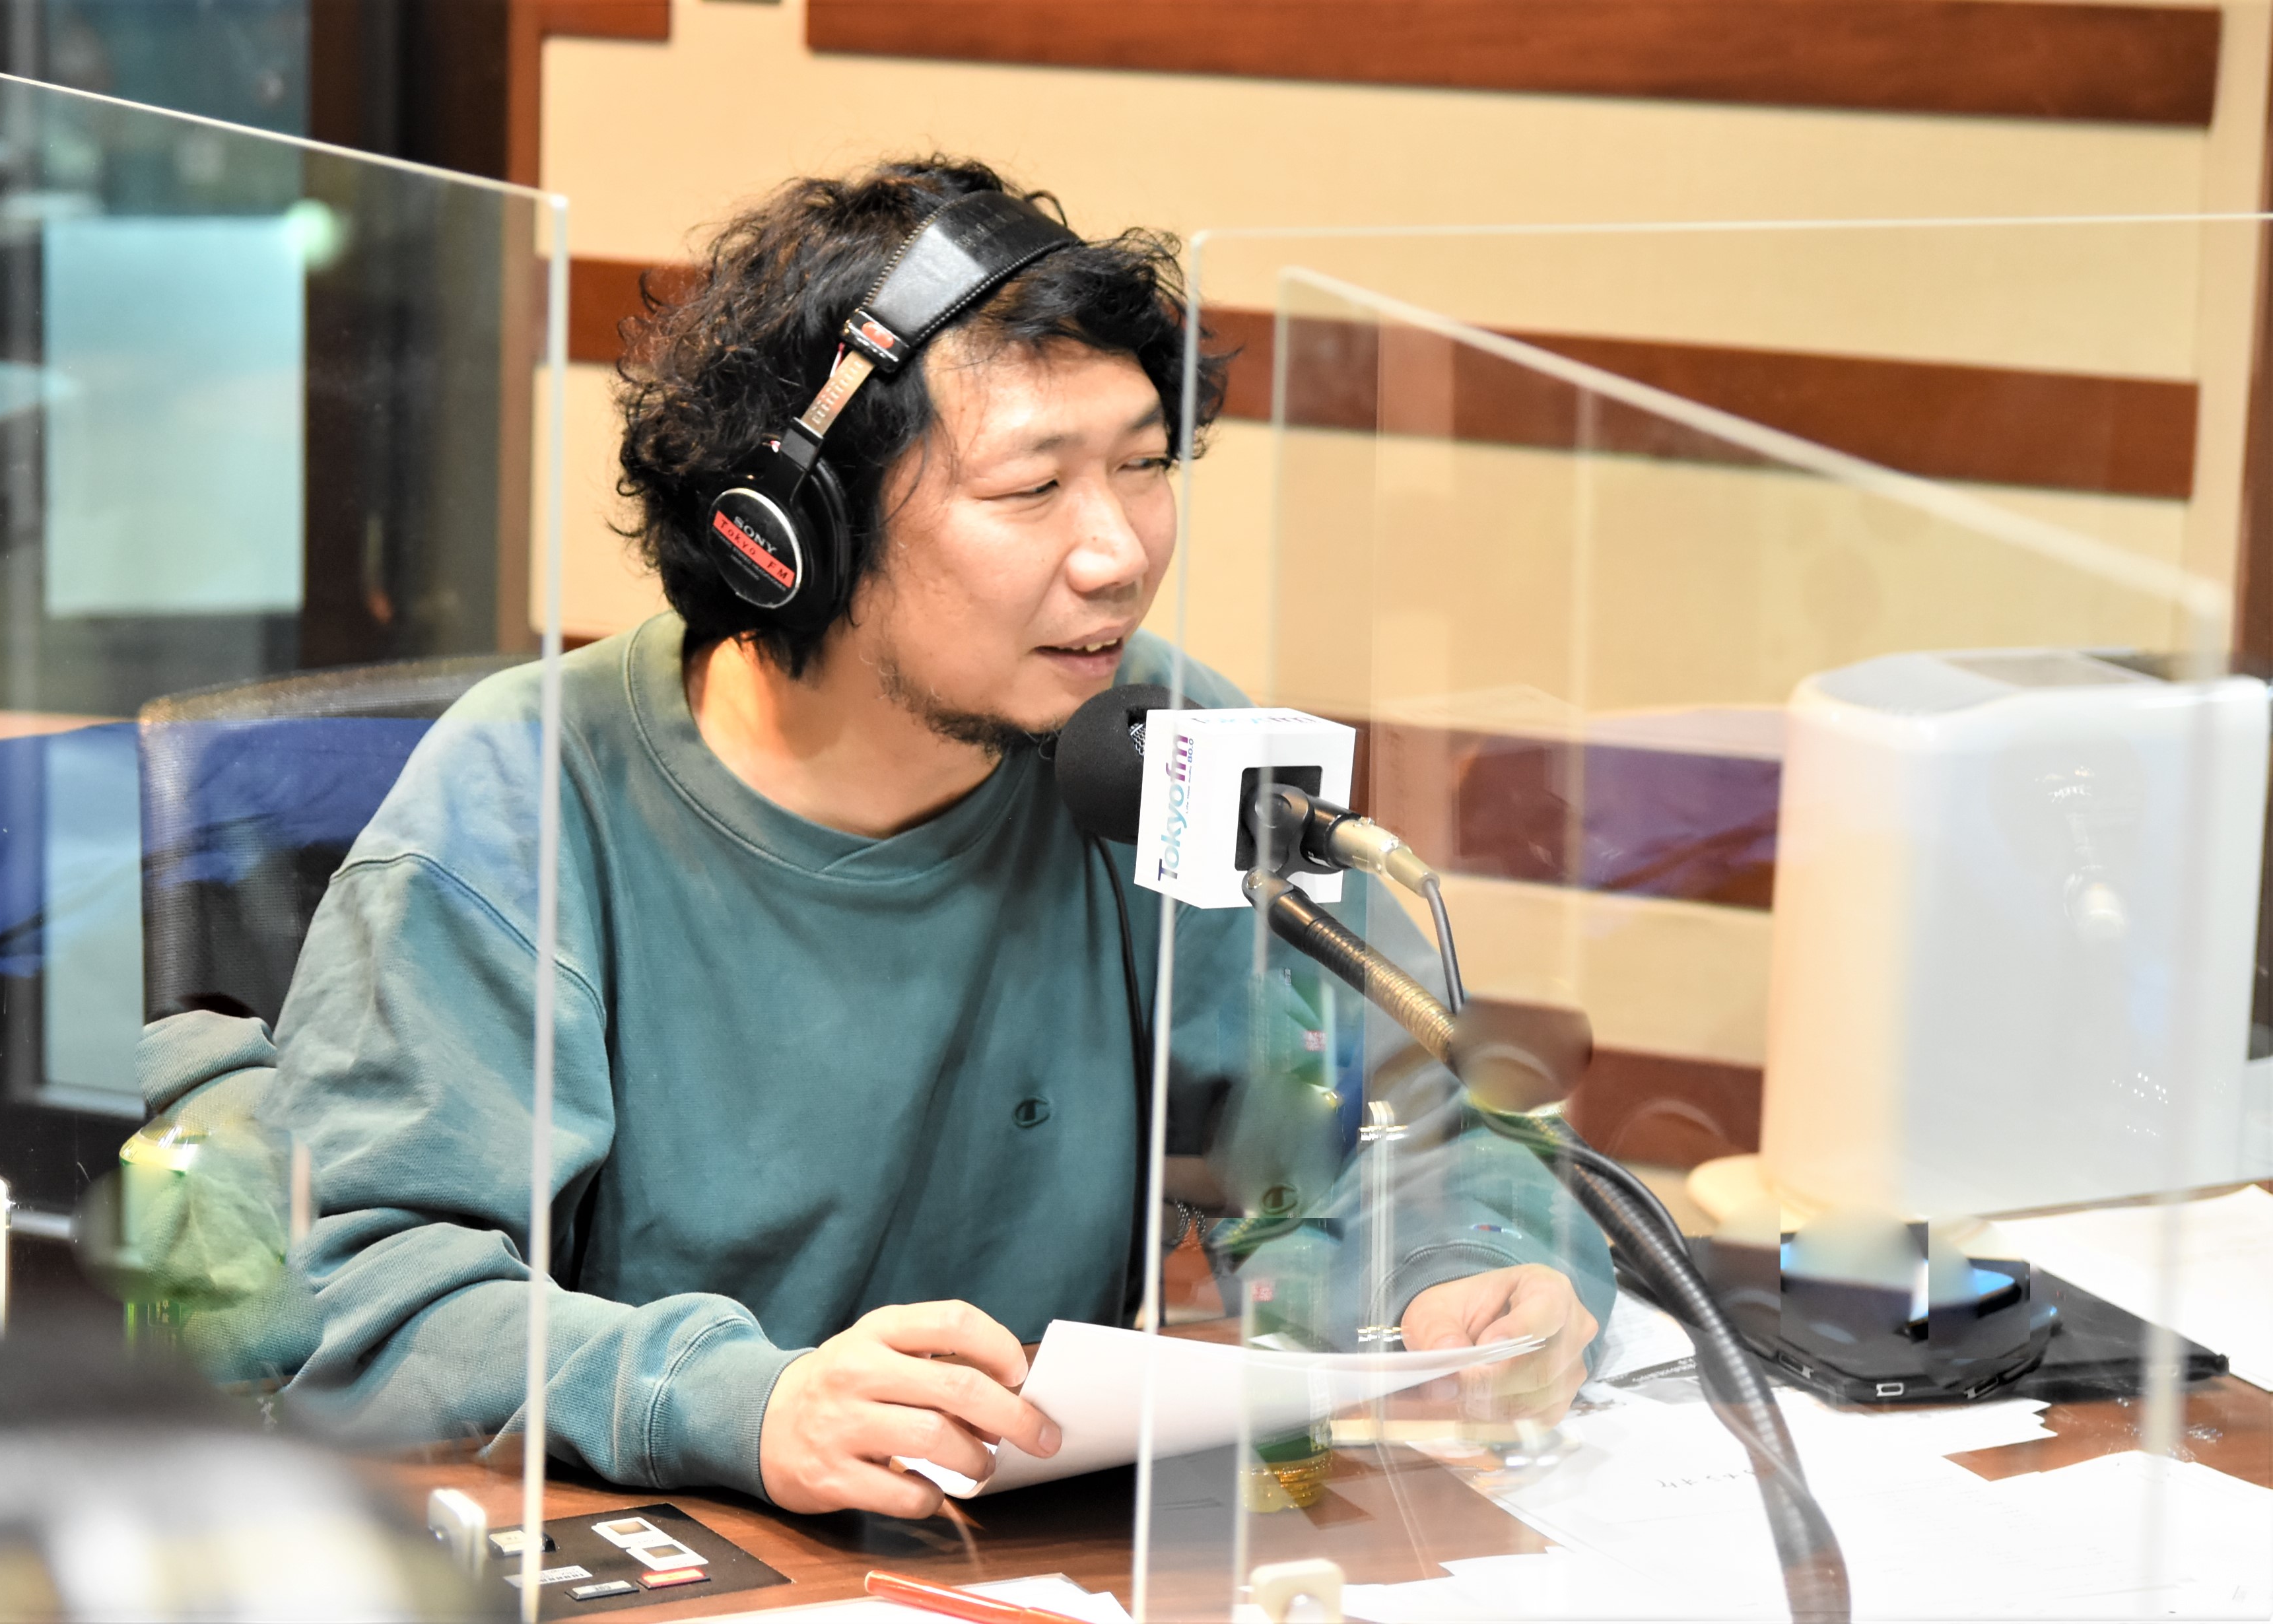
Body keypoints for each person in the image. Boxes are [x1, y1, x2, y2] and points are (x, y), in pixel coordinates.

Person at [145, 156, 1613, 1517]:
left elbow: (1406, 1125)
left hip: (1024, 1559)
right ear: (798, 535)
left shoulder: (1156, 750)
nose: (1119, 552)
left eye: (1145, 464)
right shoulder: (524, 799)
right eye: (1033, 488)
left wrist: (1467, 1272)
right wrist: (740, 1403)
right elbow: (355, 1300)